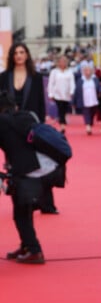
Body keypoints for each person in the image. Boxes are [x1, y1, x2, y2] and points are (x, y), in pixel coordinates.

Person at [0, 90, 60, 264]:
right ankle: (27, 245)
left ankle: (34, 250)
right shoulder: (26, 116)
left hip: (22, 171)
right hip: (42, 168)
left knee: (20, 213)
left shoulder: (2, 122)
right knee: (24, 210)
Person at [0, 42, 58, 214]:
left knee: (40, 162)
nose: (19, 55)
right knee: (14, 165)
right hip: (9, 126)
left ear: (27, 55)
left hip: (31, 124)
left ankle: (46, 203)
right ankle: (23, 202)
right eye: (16, 52)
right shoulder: (3, 77)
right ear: (12, 56)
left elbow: (41, 103)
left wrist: (40, 126)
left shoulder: (37, 77)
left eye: (22, 52)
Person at [47, 54, 75, 133]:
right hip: (57, 94)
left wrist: (72, 91)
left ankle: (62, 122)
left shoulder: (69, 72)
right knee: (60, 109)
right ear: (58, 62)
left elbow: (72, 82)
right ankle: (62, 125)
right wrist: (50, 93)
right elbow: (51, 83)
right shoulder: (54, 72)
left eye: (64, 61)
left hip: (66, 94)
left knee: (64, 109)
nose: (63, 63)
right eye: (61, 61)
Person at [75, 64, 101, 134]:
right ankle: (88, 126)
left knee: (92, 113)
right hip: (84, 99)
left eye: (89, 70)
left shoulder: (95, 79)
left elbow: (99, 87)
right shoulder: (80, 80)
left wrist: (100, 92)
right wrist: (74, 102)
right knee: (86, 113)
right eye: (86, 70)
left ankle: (90, 123)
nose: (88, 72)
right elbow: (76, 91)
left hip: (93, 99)